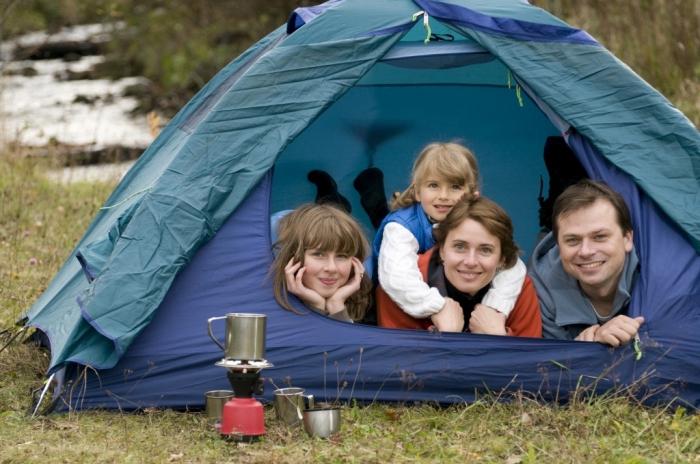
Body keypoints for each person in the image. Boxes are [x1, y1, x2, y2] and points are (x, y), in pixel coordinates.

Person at [372, 142, 527, 327]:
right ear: (417, 192)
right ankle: (372, 197)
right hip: (382, 292)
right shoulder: (401, 228)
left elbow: (511, 264)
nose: (444, 195)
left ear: (473, 194)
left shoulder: (479, 220)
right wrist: (437, 306)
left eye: (455, 187)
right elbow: (397, 278)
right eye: (433, 185)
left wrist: (494, 308)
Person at [377, 196, 542, 337]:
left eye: (485, 250)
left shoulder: (520, 288)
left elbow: (533, 368)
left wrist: (498, 337)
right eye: (460, 247)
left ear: (502, 259)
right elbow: (397, 368)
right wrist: (443, 337)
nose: (470, 261)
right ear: (441, 250)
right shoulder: (401, 286)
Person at [529, 179, 644, 346]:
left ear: (627, 239)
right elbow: (549, 365)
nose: (586, 251)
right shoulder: (540, 289)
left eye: (599, 237)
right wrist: (586, 347)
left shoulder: (655, 273)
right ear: (558, 245)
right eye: (572, 240)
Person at [271, 203, 372, 323]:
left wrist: (337, 306)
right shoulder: (269, 308)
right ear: (292, 258)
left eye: (341, 256)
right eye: (319, 255)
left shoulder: (365, 303)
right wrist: (316, 306)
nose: (332, 268)